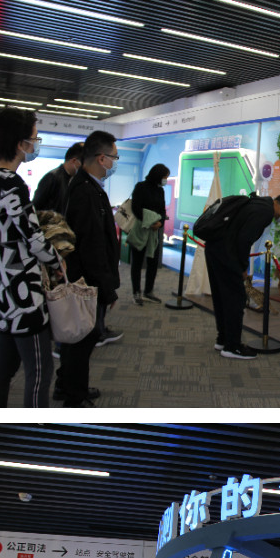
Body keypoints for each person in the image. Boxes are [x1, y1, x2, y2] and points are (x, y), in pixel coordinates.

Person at [0, 107, 65, 408]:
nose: (36, 144)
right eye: (34, 138)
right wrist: (57, 261)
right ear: (20, 144)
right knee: (40, 370)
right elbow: (33, 238)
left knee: (2, 370)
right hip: (22, 294)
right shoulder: (11, 183)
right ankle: (33, 425)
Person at [56, 130, 122, 406]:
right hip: (86, 280)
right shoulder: (84, 191)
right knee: (83, 338)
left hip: (86, 276)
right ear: (101, 158)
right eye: (114, 157)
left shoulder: (88, 186)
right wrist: (106, 288)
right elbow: (92, 245)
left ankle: (67, 386)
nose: (115, 162)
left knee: (80, 338)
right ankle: (74, 396)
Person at [204, 192, 280, 360]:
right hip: (226, 253)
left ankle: (223, 339)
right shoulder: (265, 212)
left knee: (221, 297)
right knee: (236, 299)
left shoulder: (258, 204)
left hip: (215, 248)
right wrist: (242, 268)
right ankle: (232, 346)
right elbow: (244, 240)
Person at [129, 164, 170, 304]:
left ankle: (148, 291)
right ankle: (136, 292)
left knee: (153, 262)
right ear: (158, 175)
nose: (165, 180)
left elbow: (162, 210)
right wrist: (149, 222)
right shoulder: (140, 187)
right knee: (137, 262)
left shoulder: (160, 190)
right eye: (165, 177)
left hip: (154, 232)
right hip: (141, 229)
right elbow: (136, 208)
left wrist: (160, 223)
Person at [33, 141, 84, 214]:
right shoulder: (52, 177)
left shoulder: (74, 180)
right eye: (83, 164)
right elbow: (36, 206)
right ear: (74, 161)